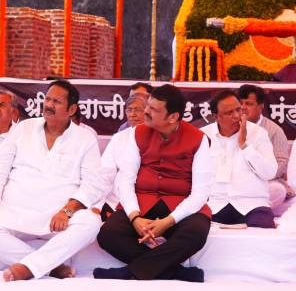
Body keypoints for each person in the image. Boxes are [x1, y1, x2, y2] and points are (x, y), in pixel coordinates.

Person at [0, 80, 104, 281]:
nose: (48, 105)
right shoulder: (24, 128)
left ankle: (28, 267)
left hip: (58, 217)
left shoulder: (85, 138)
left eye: (56, 101)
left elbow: (92, 186)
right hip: (15, 212)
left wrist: (66, 212)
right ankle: (48, 267)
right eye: (47, 99)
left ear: (72, 109)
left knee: (91, 223)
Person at [95, 84, 212, 282]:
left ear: (172, 117)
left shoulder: (198, 139)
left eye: (153, 109)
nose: (146, 111)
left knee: (196, 233)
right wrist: (135, 218)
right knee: (108, 234)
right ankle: (175, 272)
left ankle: (129, 272)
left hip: (180, 204)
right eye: (148, 106)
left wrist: (168, 221)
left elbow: (201, 192)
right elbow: (126, 181)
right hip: (142, 202)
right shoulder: (137, 133)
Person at [201, 90, 277, 228]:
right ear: (215, 116)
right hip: (215, 204)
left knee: (262, 232)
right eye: (229, 113)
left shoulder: (258, 134)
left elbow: (270, 172)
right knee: (194, 228)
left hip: (252, 205)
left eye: (238, 110)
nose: (236, 116)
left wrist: (245, 146)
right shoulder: (203, 136)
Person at [237, 84, 293, 214]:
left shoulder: (274, 130)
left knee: (277, 190)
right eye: (240, 103)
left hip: (265, 182)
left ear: (261, 106)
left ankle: (247, 212)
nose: (243, 108)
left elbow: (281, 163)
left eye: (248, 104)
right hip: (235, 181)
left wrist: (256, 176)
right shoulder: (231, 126)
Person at [99, 93, 150, 220]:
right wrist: (98, 203)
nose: (132, 114)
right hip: (117, 199)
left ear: (148, 111)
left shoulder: (156, 135)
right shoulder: (119, 138)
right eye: (129, 110)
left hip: (147, 197)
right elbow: (106, 171)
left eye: (137, 110)